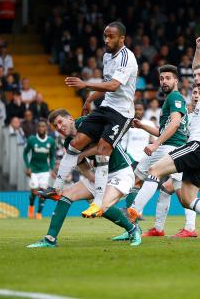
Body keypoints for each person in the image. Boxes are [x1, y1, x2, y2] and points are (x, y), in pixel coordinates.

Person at [126, 45, 200, 241]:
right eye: (195, 75)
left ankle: (134, 210)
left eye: (199, 75)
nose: (196, 78)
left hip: (199, 147)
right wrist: (198, 48)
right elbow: (198, 66)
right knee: (188, 199)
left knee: (155, 170)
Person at [42, 22, 138, 220]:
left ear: (121, 39)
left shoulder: (127, 58)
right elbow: (105, 86)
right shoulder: (106, 56)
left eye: (111, 36)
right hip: (106, 107)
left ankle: (98, 201)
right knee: (76, 143)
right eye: (105, 36)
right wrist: (89, 99)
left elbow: (112, 85)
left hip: (122, 113)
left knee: (103, 149)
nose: (106, 40)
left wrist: (85, 85)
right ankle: (56, 188)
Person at [27, 109, 141, 247]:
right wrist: (93, 181)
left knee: (102, 206)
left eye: (60, 122)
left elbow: (103, 146)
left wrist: (80, 154)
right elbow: (84, 167)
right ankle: (50, 239)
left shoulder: (88, 122)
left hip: (121, 172)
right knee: (67, 195)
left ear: (70, 119)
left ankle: (133, 230)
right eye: (55, 126)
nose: (59, 127)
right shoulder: (69, 142)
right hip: (101, 173)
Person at [124, 65, 190, 233]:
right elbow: (164, 129)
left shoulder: (174, 97)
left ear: (176, 80)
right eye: (161, 79)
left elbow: (175, 124)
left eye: (168, 78)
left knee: (137, 179)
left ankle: (132, 215)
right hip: (178, 149)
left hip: (168, 148)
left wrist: (156, 144)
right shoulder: (172, 99)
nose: (164, 81)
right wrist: (143, 127)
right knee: (182, 196)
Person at [23, 120, 56, 219]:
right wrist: (28, 166)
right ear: (37, 128)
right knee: (34, 190)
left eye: (43, 126)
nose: (41, 128)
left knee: (43, 191)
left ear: (46, 128)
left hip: (45, 170)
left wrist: (52, 168)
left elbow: (52, 156)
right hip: (33, 169)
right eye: (40, 126)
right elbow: (25, 153)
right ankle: (31, 206)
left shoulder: (51, 141)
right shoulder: (32, 140)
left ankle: (39, 213)